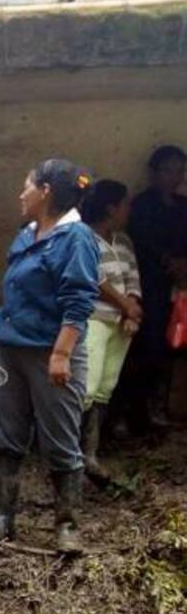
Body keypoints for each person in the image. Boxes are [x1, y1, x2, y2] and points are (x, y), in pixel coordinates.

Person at [0, 159, 99, 554]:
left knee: (61, 437)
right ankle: (3, 519)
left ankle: (67, 525)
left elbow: (80, 299)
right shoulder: (26, 234)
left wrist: (62, 354)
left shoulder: (76, 237)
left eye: (26, 186)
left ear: (46, 190)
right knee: (7, 433)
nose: (21, 193)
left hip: (52, 352)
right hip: (12, 347)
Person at [80, 179, 142, 483]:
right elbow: (92, 279)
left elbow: (132, 278)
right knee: (86, 389)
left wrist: (133, 307)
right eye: (125, 204)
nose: (128, 210)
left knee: (105, 386)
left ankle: (90, 454)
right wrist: (126, 306)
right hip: (94, 319)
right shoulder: (85, 239)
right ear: (110, 208)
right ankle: (71, 456)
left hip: (119, 323)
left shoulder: (123, 241)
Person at [125, 145, 187, 432]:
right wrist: (168, 260)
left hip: (180, 285)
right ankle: (133, 412)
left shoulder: (184, 206)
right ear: (154, 172)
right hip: (150, 284)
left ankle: (161, 407)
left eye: (179, 171)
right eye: (167, 170)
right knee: (146, 346)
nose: (173, 177)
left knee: (174, 345)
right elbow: (141, 238)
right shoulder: (141, 205)